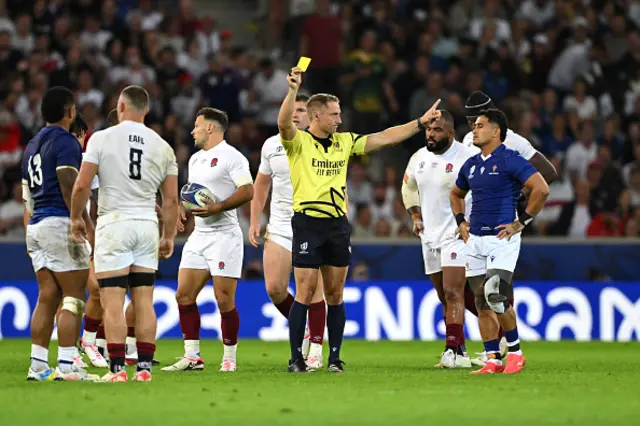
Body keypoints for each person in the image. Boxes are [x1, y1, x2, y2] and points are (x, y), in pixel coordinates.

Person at [279, 67, 442, 372]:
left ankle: (335, 357)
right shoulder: (298, 142)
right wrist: (292, 91)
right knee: (303, 291)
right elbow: (283, 123)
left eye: (339, 114)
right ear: (316, 117)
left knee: (335, 294)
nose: (339, 120)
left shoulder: (344, 143)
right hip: (307, 223)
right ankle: (296, 358)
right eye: (334, 115)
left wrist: (419, 123)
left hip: (337, 225)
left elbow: (383, 138)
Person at [70, 85, 179, 382]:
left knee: (113, 301)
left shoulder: (101, 139)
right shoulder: (163, 146)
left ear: (120, 107)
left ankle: (117, 369)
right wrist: (168, 236)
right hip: (146, 224)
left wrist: (75, 218)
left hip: (113, 223)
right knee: (144, 300)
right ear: (146, 110)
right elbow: (171, 200)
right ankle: (144, 368)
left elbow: (81, 185)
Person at [450, 109, 550, 374]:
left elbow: (541, 188)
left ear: (496, 131)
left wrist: (522, 222)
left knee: (495, 295)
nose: (474, 130)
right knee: (481, 301)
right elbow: (455, 192)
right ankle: (493, 358)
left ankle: (516, 353)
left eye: (481, 126)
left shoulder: (510, 159)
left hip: (501, 238)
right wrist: (461, 220)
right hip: (475, 239)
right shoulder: (472, 164)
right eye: (474, 126)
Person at [162, 108, 253, 373]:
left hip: (225, 235)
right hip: (199, 234)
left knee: (223, 297)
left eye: (197, 126)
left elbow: (247, 190)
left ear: (211, 128)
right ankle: (192, 356)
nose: (193, 130)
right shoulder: (195, 160)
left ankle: (229, 358)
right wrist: (182, 205)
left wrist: (219, 207)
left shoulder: (233, 157)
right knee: (183, 295)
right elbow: (193, 192)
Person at [22, 86, 98, 381]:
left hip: (37, 223)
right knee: (74, 295)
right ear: (69, 112)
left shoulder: (32, 145)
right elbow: (70, 183)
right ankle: (67, 366)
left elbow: (27, 194)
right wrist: (80, 220)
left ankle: (38, 365)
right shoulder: (66, 142)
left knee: (47, 296)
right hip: (60, 221)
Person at [249, 94, 326, 370]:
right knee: (275, 288)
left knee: (313, 290)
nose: (295, 114)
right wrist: (255, 219)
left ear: (313, 115)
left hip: (312, 223)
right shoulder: (272, 144)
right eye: (291, 110)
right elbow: (260, 186)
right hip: (280, 225)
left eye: (302, 110)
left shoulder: (321, 144)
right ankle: (304, 327)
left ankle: (316, 348)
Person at [402, 110, 479, 369]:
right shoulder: (419, 158)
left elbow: (483, 191)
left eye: (436, 131)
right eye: (428, 130)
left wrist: (470, 221)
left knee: (453, 291)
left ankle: (450, 351)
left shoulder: (467, 157)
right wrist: (415, 215)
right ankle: (462, 351)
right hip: (429, 236)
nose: (430, 135)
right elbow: (408, 187)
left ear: (450, 132)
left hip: (457, 233)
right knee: (444, 296)